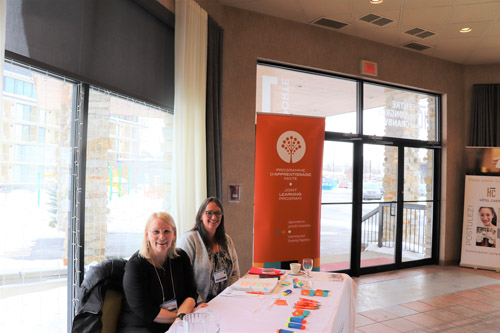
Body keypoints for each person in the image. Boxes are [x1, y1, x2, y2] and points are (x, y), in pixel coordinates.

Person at [118, 212, 198, 333]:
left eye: (166, 231)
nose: (162, 237)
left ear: (174, 235)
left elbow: (191, 294)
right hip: (142, 326)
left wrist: (181, 317)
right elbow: (144, 310)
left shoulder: (181, 258)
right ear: (147, 235)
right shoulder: (135, 266)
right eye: (156, 232)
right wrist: (181, 317)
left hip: (175, 324)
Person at [178, 197, 240, 303]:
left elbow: (235, 272)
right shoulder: (189, 239)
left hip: (225, 301)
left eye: (217, 213)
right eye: (209, 213)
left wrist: (228, 296)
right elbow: (182, 278)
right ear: (201, 215)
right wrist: (198, 302)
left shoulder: (226, 240)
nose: (214, 217)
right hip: (198, 304)